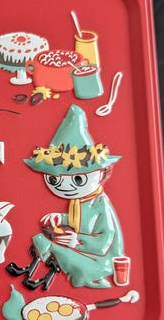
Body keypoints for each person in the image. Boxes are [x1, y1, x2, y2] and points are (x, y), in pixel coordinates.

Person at [7, 104, 124, 289]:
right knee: (41, 239)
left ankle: (45, 277)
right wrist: (61, 218)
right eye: (54, 180)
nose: (65, 187)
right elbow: (83, 221)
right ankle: (30, 271)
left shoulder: (100, 203)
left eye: (78, 179)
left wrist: (77, 241)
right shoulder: (79, 202)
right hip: (82, 249)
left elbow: (105, 241)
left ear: (102, 173)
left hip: (98, 259)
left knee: (55, 247)